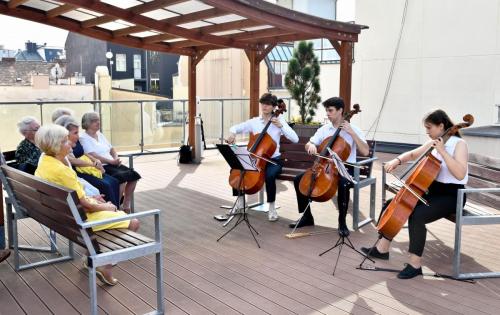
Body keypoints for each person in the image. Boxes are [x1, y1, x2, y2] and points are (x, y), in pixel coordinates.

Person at [361, 109, 469, 279]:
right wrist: (397, 161)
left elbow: (460, 174)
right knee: (393, 203)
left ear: (441, 126)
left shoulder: (458, 144)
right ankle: (382, 249)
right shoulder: (435, 141)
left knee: (417, 216)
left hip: (452, 195)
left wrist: (442, 151)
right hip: (433, 190)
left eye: (429, 128)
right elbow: (413, 154)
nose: (427, 132)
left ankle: (415, 264)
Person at [34, 124, 139, 285]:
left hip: (62, 217)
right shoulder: (63, 171)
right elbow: (84, 204)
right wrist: (106, 206)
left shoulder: (45, 161)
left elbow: (79, 199)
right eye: (65, 141)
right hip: (78, 220)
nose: (69, 144)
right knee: (133, 222)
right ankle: (104, 265)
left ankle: (91, 258)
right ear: (55, 145)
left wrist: (93, 199)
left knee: (111, 211)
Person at [290, 97, 369, 236]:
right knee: (298, 180)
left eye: (330, 110)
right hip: (325, 167)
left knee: (344, 184)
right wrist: (312, 146)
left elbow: (365, 151)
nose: (327, 113)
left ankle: (342, 222)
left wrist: (351, 133)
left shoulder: (354, 129)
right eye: (326, 110)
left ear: (340, 111)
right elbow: (310, 143)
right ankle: (306, 217)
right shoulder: (324, 129)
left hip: (346, 168)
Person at [225, 93, 299, 221]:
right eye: (263, 103)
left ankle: (272, 207)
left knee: (270, 176)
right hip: (255, 158)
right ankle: (241, 202)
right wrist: (232, 133)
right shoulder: (254, 122)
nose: (264, 106)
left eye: (268, 104)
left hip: (273, 160)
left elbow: (295, 139)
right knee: (236, 169)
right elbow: (236, 127)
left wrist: (281, 127)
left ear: (274, 107)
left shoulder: (279, 121)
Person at [79, 112, 141, 212]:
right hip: (101, 166)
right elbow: (93, 155)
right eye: (95, 120)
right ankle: (116, 206)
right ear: (87, 123)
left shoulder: (100, 134)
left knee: (134, 176)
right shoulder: (83, 137)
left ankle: (126, 204)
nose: (98, 122)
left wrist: (116, 158)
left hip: (112, 163)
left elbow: (111, 149)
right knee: (121, 179)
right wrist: (111, 162)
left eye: (98, 120)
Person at [55, 115, 121, 208]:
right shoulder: (62, 145)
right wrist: (93, 164)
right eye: (75, 133)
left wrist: (95, 160)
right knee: (106, 185)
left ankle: (116, 209)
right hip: (78, 172)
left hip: (85, 169)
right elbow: (71, 160)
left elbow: (83, 152)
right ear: (65, 133)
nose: (78, 136)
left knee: (114, 181)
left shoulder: (74, 141)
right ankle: (111, 211)